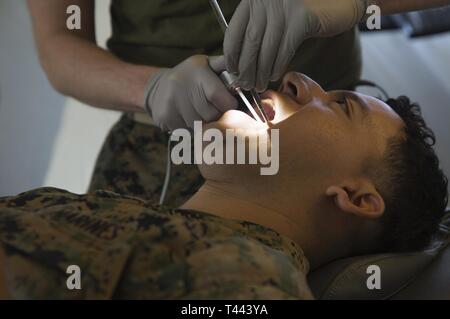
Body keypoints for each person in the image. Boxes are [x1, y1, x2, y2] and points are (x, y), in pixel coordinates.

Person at [0, 72, 447, 299]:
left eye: (340, 105)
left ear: (355, 198)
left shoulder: (252, 288)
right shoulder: (120, 210)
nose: (294, 79)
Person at [27, 0, 450, 207]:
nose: (295, 80)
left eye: (344, 105)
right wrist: (153, 88)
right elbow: (59, 45)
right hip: (157, 136)